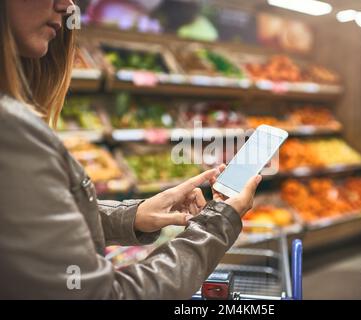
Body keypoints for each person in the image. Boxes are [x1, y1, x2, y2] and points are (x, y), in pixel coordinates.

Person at [0, 0, 261, 299]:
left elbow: (30, 224)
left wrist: (132, 215)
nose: (68, 6)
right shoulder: (12, 130)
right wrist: (217, 223)